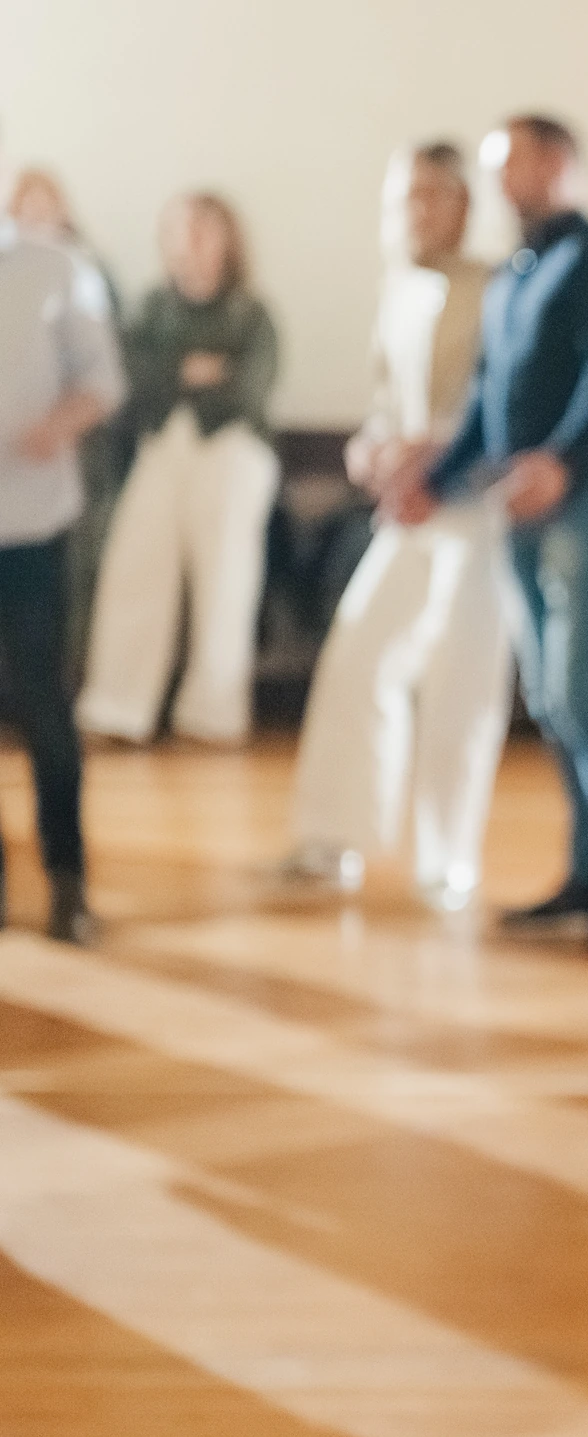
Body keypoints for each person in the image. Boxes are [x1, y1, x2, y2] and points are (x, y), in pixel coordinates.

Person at [390, 113, 588, 958]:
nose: (496, 182)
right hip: (522, 503)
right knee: (550, 696)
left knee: (581, 688)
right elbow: (488, 399)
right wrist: (431, 482)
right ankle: (587, 875)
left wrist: (563, 462)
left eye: (507, 163)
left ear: (556, 164)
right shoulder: (513, 275)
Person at [278, 142, 508, 910]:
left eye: (427, 194)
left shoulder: (499, 287)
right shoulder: (399, 286)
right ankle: (334, 837)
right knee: (359, 651)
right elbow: (384, 400)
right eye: (402, 195)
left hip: (476, 505)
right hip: (406, 506)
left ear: (462, 203)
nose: (411, 211)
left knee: (462, 678)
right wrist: (370, 451)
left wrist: (436, 461)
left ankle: (449, 860)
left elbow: (502, 405)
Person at [76, 192, 280, 745]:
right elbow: (132, 381)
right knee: (134, 571)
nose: (190, 241)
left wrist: (181, 376)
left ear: (227, 239)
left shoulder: (251, 313)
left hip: (231, 452)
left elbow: (249, 388)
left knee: (225, 580)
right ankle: (116, 709)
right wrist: (191, 372)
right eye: (180, 229)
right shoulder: (150, 310)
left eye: (203, 228)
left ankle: (213, 715)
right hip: (163, 447)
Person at [0, 146, 125, 941]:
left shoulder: (55, 269)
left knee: (45, 709)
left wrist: (56, 425)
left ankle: (68, 884)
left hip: (33, 526)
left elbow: (103, 381)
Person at [7, 167, 133, 688]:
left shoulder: (71, 270)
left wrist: (57, 426)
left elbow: (105, 378)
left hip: (42, 498)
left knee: (41, 666)